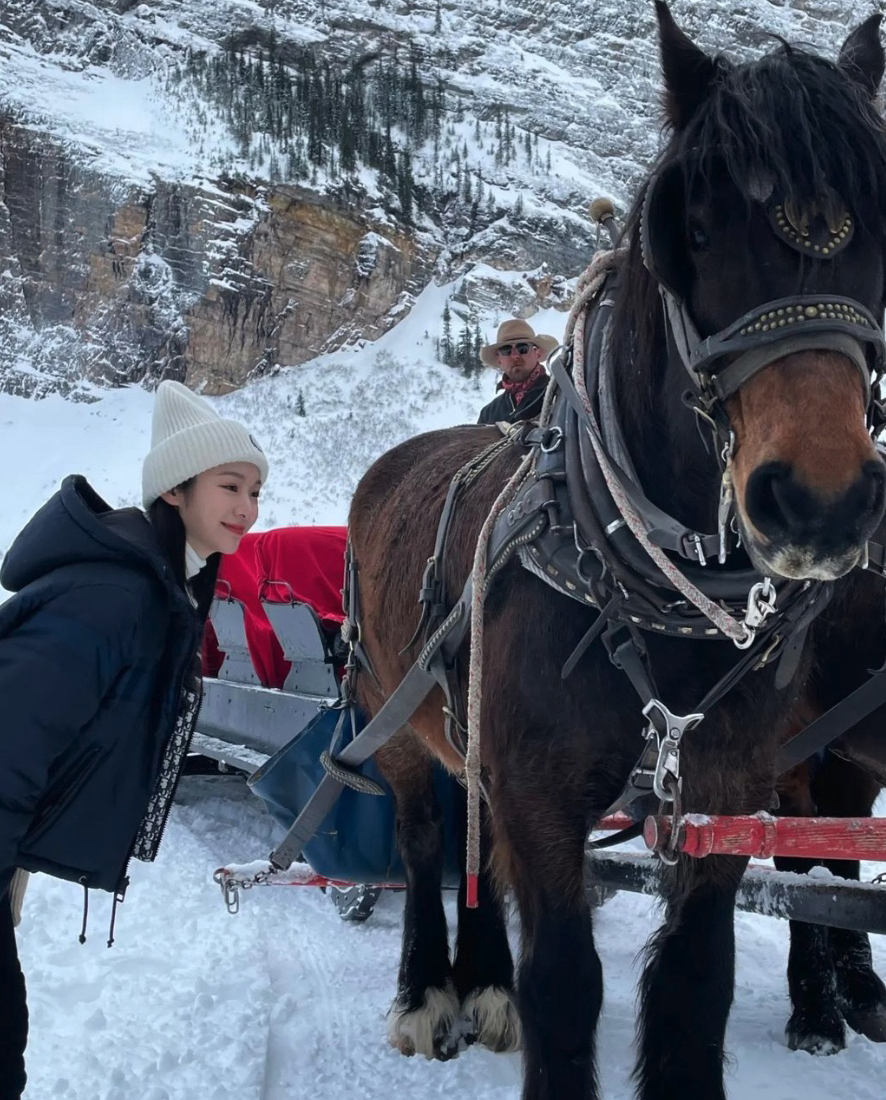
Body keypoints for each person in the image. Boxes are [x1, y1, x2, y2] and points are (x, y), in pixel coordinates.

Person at [0, 379, 268, 1100]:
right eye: (230, 485)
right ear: (175, 492)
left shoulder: (164, 588)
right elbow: (12, 734)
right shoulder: (114, 596)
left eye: (256, 490)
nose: (247, 507)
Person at [476, 319, 559, 425]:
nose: (515, 355)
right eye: (506, 350)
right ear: (499, 359)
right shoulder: (488, 414)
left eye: (522, 348)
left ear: (537, 353)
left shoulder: (559, 394)